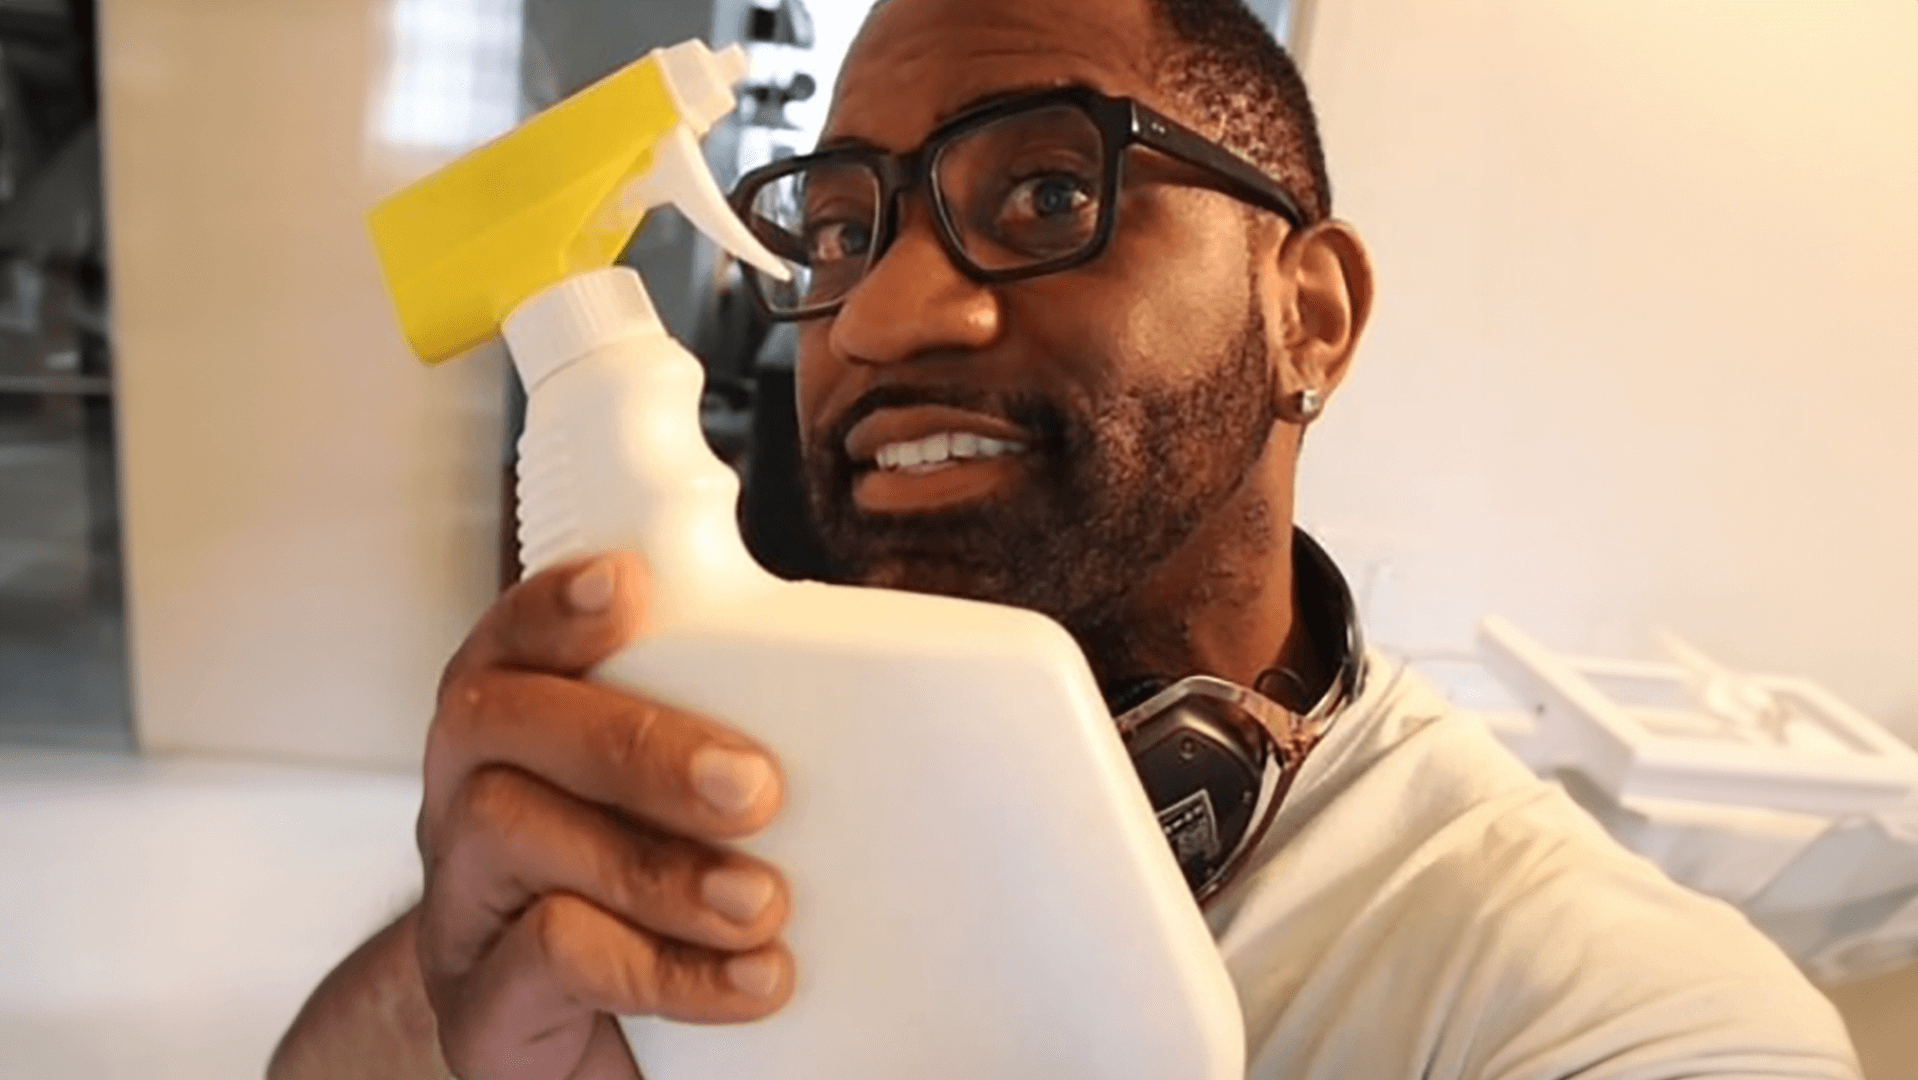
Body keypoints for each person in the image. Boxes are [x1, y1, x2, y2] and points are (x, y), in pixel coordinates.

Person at [270, 0, 1864, 1076]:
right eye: (838, 227)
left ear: (1309, 314)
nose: (884, 313)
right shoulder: (712, 768)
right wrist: (459, 954)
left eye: (1043, 195)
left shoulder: (1576, 993)